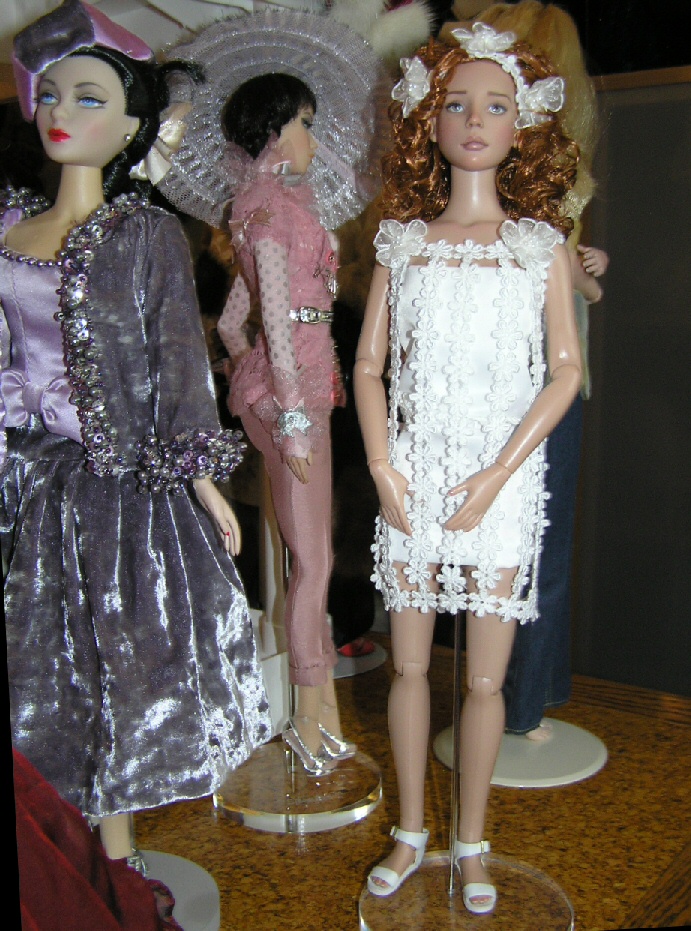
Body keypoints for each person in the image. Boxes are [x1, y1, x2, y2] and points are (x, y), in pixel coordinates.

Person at [2, 0, 271, 865]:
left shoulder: (144, 234)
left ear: (131, 125)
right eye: (50, 94)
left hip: (119, 491)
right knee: (45, 670)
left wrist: (202, 480)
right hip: (24, 484)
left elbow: (177, 357)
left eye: (89, 98)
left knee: (122, 665)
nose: (60, 113)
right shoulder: (8, 228)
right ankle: (69, 857)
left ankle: (116, 865)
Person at [354, 23, 581, 913]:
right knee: (409, 667)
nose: (475, 120)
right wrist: (380, 462)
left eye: (495, 106)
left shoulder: (538, 245)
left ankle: (472, 841)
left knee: (484, 677)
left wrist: (498, 472)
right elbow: (368, 366)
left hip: (501, 479)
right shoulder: (402, 243)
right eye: (456, 104)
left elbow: (563, 371)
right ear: (429, 119)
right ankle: (412, 829)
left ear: (524, 124)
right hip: (411, 474)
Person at [156, 10, 385, 776]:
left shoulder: (255, 206)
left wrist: (242, 365)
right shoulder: (277, 210)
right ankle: (310, 718)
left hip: (285, 385)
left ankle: (314, 715)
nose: (312, 140)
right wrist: (287, 412)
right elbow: (279, 324)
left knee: (305, 555)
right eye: (305, 125)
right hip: (297, 394)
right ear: (277, 129)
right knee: (312, 559)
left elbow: (236, 318)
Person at [471, 0, 609, 739]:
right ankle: (520, 704)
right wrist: (583, 276)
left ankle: (524, 702)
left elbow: (573, 280)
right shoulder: (519, 169)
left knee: (534, 546)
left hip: (537, 373)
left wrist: (586, 269)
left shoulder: (543, 169)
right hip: (512, 373)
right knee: (525, 548)